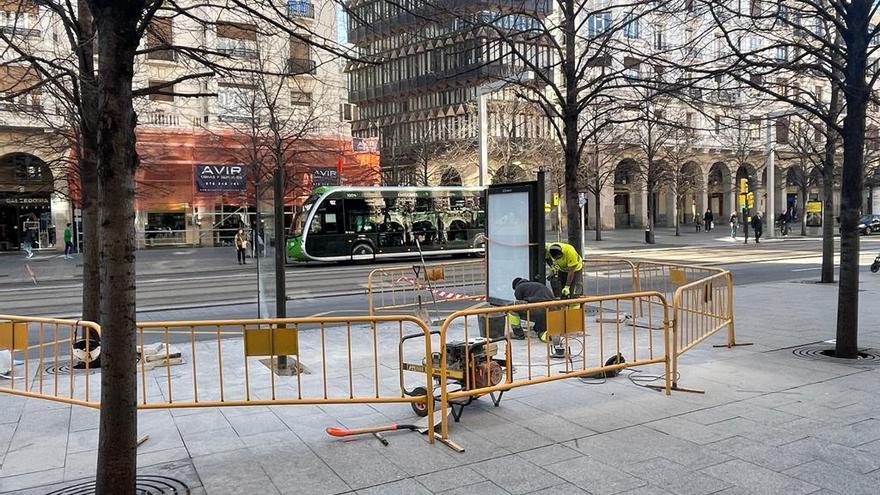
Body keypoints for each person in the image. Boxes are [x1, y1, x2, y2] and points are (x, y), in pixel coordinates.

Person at [510, 277, 567, 358]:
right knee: (539, 327)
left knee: (512, 309)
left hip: (539, 308)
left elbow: (520, 303)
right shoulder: (538, 285)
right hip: (553, 309)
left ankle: (518, 334)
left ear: (515, 286)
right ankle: (552, 332)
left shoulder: (519, 288)